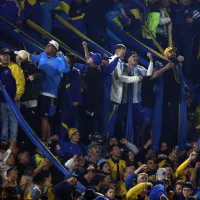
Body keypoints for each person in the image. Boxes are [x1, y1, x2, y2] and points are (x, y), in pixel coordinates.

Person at [27, 40, 69, 140]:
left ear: (55, 49)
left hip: (49, 94)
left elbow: (65, 70)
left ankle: (45, 140)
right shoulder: (42, 55)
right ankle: (44, 139)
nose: (47, 46)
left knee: (44, 117)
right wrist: (21, 53)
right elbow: (31, 58)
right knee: (40, 117)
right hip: (38, 91)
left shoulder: (58, 60)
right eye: (47, 45)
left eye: (50, 46)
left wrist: (62, 56)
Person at [15, 50, 45, 144]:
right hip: (17, 99)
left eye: (20, 58)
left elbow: (42, 74)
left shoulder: (30, 65)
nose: (18, 58)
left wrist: (34, 76)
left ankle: (30, 143)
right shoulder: (12, 64)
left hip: (29, 99)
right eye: (18, 57)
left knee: (30, 122)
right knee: (17, 122)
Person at [0, 48, 25, 142]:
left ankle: (13, 140)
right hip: (2, 100)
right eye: (3, 55)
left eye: (7, 55)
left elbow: (21, 82)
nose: (6, 57)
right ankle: (4, 140)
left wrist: (18, 94)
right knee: (4, 119)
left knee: (14, 120)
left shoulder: (14, 67)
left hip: (13, 100)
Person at [59, 53, 82, 138]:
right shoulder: (61, 70)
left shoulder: (74, 72)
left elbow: (75, 87)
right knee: (61, 120)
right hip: (62, 100)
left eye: (65, 59)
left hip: (70, 102)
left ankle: (67, 140)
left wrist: (75, 100)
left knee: (68, 121)